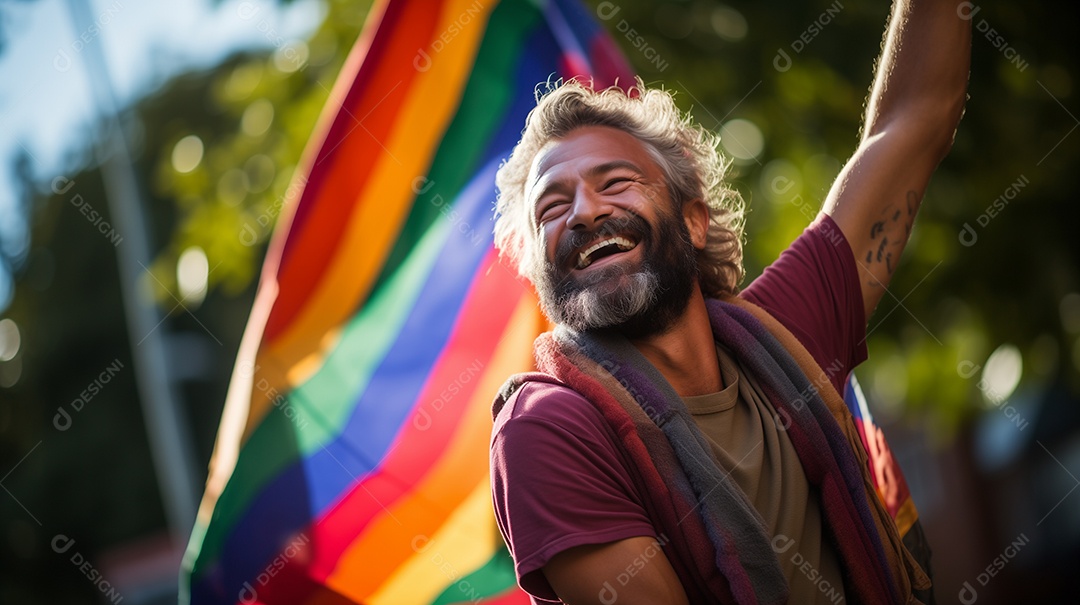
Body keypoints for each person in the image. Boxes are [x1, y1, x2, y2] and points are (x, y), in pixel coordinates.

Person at [489, 1, 970, 603]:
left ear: (693, 221)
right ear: (540, 272)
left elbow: (916, 117)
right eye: (552, 209)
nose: (584, 211)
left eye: (615, 182)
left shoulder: (785, 334)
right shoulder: (547, 429)